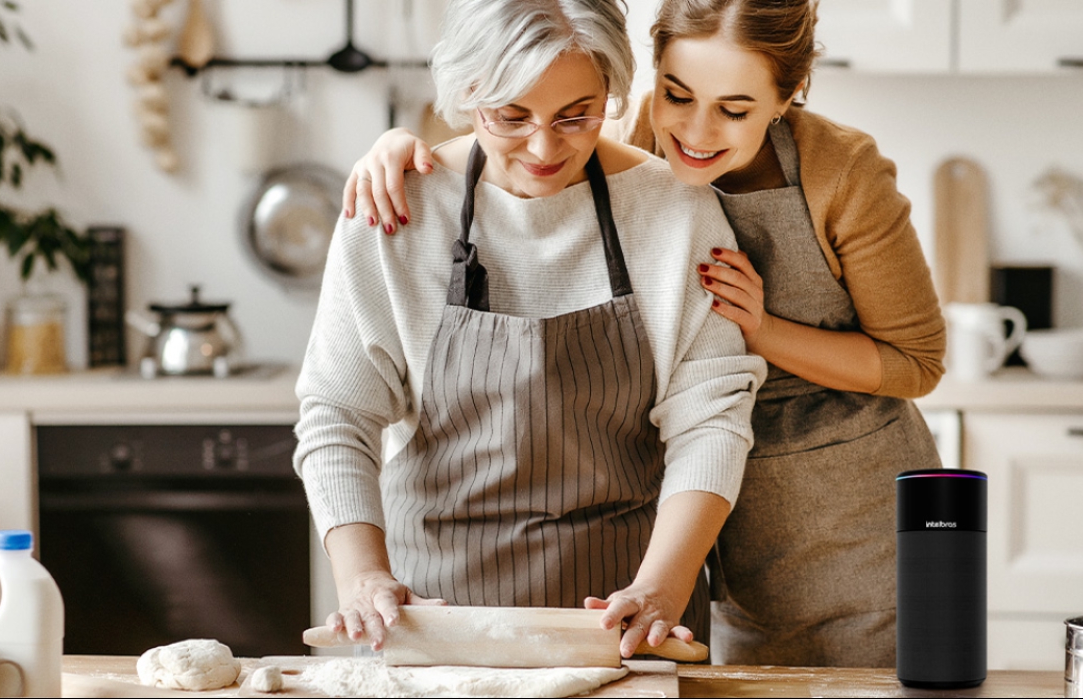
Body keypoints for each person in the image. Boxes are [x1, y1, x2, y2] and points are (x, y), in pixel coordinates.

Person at [338, 0, 946, 668]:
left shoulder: (832, 175)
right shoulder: (627, 138)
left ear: (786, 97)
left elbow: (914, 361)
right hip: (715, 528)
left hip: (842, 516)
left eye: (734, 109)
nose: (696, 130)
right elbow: (527, 119)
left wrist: (762, 330)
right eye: (677, 95)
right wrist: (399, 147)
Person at [294, 0, 765, 660]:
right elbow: (338, 410)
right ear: (467, 94)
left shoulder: (676, 209)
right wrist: (362, 574)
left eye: (578, 114)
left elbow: (711, 418)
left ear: (612, 91)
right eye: (511, 116)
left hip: (625, 623)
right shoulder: (397, 205)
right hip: (433, 621)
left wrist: (663, 587)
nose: (545, 148)